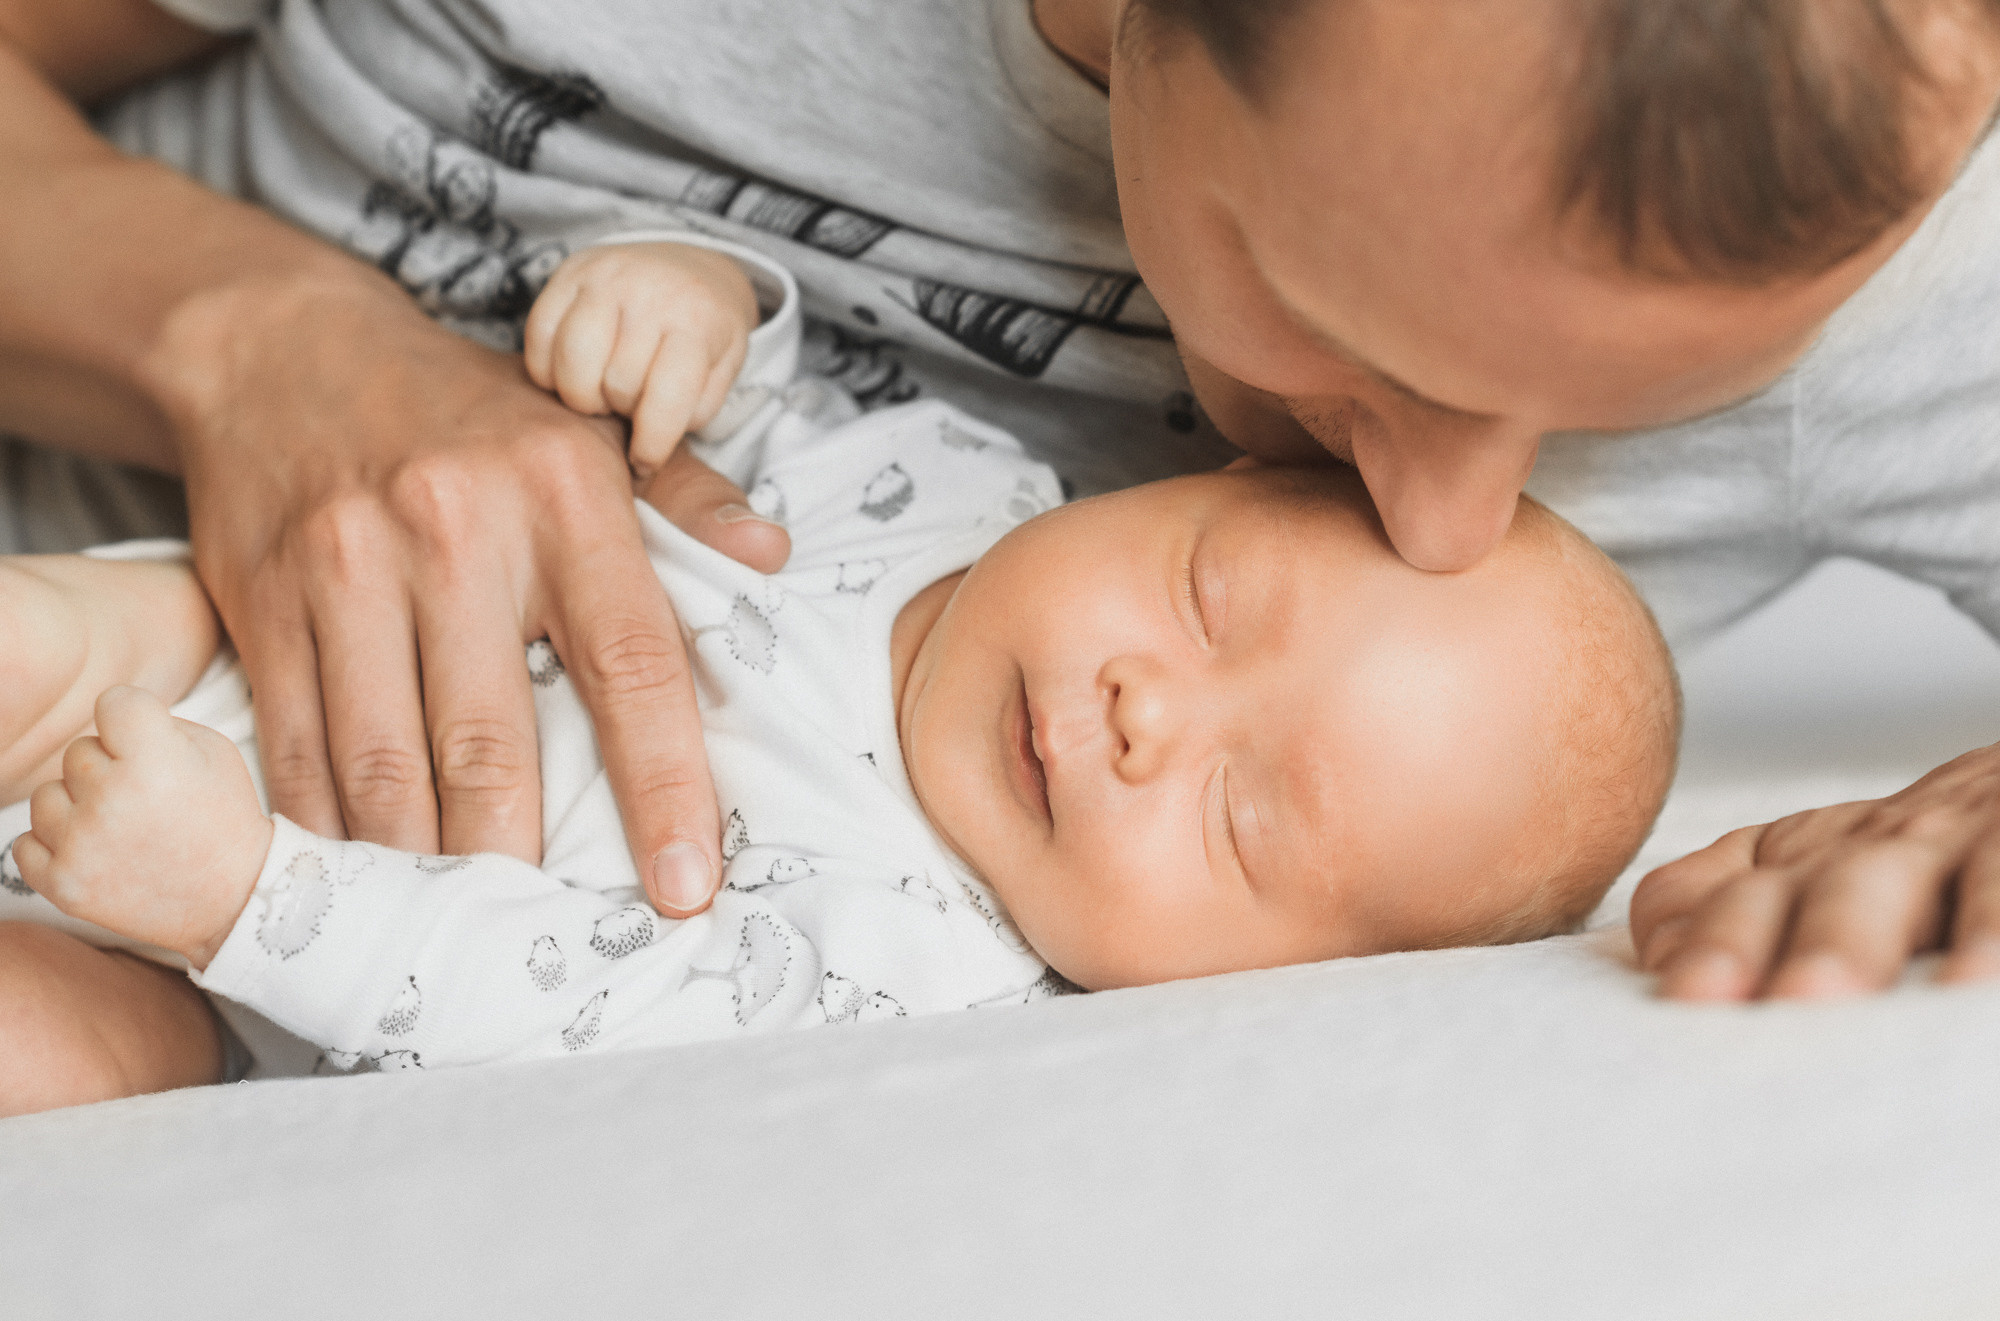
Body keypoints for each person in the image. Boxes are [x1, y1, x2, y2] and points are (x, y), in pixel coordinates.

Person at [0, 0, 1996, 1001]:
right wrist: (241, 337)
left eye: (1637, 421)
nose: (1460, 519)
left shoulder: (1897, 247)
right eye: (1347, 342)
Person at [0, 234, 1677, 1114]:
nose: (1147, 710)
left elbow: (579, 1002)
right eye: (1208, 594)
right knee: (72, 640)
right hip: (243, 634)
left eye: (1243, 818)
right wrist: (695, 307)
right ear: (1198, 482)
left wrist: (246, 893)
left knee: (80, 1059)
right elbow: (721, 413)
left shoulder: (924, 965)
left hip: (254, 961)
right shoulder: (954, 473)